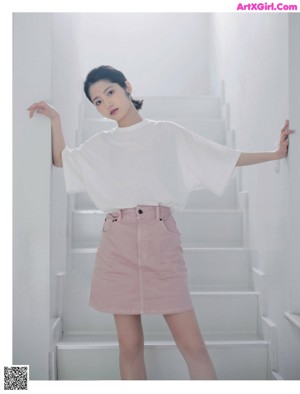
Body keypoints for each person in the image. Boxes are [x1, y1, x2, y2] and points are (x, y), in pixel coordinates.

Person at [28, 65, 294, 380]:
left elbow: (221, 156)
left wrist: (275, 154)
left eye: (110, 92)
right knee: (129, 347)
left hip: (160, 239)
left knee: (193, 347)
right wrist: (56, 119)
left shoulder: (167, 132)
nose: (106, 103)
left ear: (127, 86)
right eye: (97, 101)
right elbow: (62, 159)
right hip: (117, 244)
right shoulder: (100, 145)